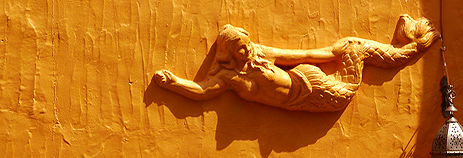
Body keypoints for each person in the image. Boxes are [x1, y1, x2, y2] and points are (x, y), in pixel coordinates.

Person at [153, 14, 439, 112]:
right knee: (355, 48)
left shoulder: (260, 53)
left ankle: (416, 44)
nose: (247, 49)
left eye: (246, 44)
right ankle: (412, 43)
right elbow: (202, 91)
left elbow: (298, 55)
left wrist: (331, 53)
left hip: (316, 86)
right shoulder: (228, 79)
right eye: (240, 48)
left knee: (354, 46)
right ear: (228, 52)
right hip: (305, 101)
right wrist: (174, 83)